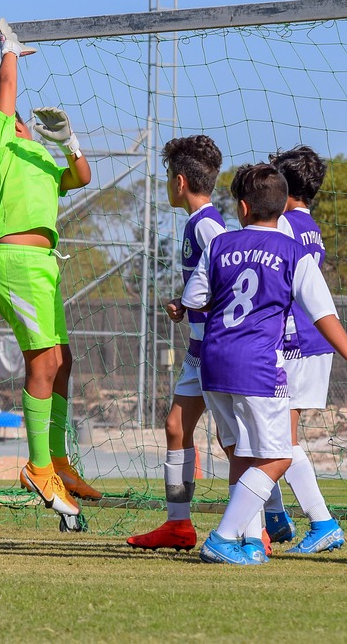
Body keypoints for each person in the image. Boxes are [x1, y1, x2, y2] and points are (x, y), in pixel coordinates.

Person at [181, 163, 347, 564]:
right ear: (281, 208)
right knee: (279, 457)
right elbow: (323, 313)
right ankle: (222, 537)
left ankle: (250, 542)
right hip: (257, 367)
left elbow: (193, 299)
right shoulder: (292, 251)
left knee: (241, 453)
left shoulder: (220, 244)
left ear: (241, 207)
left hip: (213, 363)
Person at [0, 18, 96, 527]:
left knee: (62, 360)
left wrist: (70, 141)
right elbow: (5, 89)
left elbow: (82, 176)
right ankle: (38, 466)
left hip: (44, 267)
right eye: (12, 116)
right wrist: (11, 50)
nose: (20, 118)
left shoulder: (41, 160)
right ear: (3, 127)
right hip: (16, 265)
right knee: (43, 362)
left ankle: (59, 462)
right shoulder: (0, 148)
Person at [127, 136, 225, 552]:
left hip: (217, 348)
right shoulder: (196, 223)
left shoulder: (207, 225)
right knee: (175, 428)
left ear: (180, 181)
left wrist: (193, 303)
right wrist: (186, 304)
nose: (167, 183)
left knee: (235, 441)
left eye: (168, 176)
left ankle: (257, 526)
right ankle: (178, 524)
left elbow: (229, 277)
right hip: (197, 347)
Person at [260, 145, 346, 553]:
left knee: (280, 439)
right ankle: (275, 516)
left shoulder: (283, 226)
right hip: (312, 340)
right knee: (270, 434)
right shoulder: (309, 225)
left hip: (296, 341)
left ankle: (323, 521)